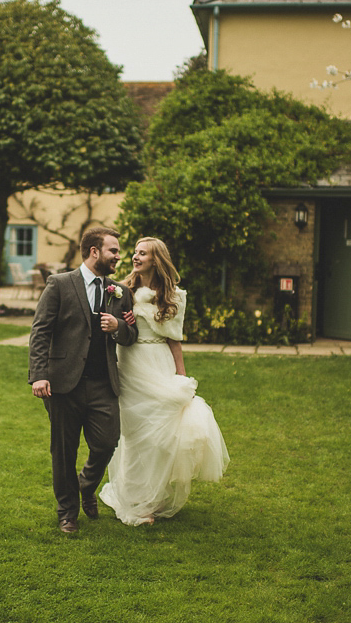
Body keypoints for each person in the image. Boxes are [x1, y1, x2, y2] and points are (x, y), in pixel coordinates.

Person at [99, 237, 229, 525]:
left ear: (156, 259)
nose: (135, 257)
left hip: (157, 362)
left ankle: (152, 498)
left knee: (158, 437)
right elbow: (110, 324)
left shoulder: (174, 296)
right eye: (134, 252)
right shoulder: (122, 290)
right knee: (133, 435)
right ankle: (132, 499)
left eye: (142, 253)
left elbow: (174, 340)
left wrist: (181, 377)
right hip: (129, 362)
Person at [28, 227, 139, 533]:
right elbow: (41, 331)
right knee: (63, 451)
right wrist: (39, 375)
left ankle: (86, 486)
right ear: (94, 252)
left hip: (103, 384)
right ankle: (67, 513)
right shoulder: (60, 284)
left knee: (106, 443)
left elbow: (131, 337)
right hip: (63, 384)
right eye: (113, 251)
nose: (119, 256)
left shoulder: (121, 292)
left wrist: (118, 326)